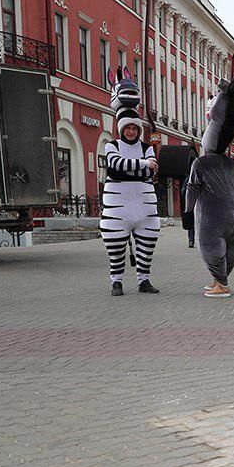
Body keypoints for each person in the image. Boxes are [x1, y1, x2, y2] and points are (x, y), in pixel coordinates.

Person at [186, 78, 234, 298]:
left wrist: (187, 212)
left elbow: (193, 188)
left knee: (210, 246)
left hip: (212, 216)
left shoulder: (201, 163)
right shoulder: (232, 163)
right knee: (232, 247)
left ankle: (222, 284)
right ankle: (218, 278)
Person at [101, 68, 160, 296]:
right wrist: (144, 165)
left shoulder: (147, 148)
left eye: (135, 128)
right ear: (121, 129)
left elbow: (152, 164)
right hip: (118, 206)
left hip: (144, 205)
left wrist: (145, 165)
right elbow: (116, 164)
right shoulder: (111, 146)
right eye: (128, 128)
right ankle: (117, 281)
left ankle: (144, 279)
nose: (132, 131)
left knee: (148, 243)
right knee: (115, 245)